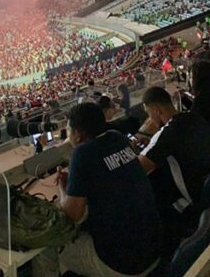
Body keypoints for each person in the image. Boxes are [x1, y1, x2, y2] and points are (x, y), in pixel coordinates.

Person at [39, 102, 160, 277]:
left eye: (69, 129)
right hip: (153, 249)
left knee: (45, 246)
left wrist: (62, 187)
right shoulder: (117, 137)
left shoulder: (82, 154)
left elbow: (72, 214)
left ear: (78, 135)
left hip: (125, 264)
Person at [137, 86, 210, 248]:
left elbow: (138, 170)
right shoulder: (194, 117)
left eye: (149, 114)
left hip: (195, 201)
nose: (150, 118)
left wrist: (143, 134)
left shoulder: (165, 134)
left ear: (156, 110)